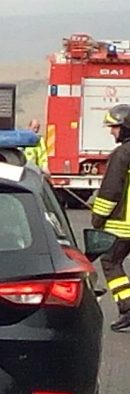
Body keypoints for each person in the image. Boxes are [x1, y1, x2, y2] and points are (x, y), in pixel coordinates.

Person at [90, 104, 130, 332]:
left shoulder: (122, 154)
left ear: (125, 128)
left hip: (123, 226)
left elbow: (110, 191)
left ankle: (127, 308)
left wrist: (98, 218)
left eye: (114, 127)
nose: (111, 132)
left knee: (110, 261)